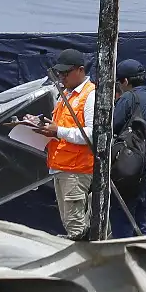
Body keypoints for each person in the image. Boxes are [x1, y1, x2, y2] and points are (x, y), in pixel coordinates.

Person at [28, 49, 96, 239]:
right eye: (59, 73)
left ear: (80, 70)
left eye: (66, 73)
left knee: (76, 229)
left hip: (77, 169)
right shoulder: (66, 95)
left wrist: (57, 131)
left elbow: (92, 135)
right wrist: (40, 124)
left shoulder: (90, 96)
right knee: (71, 224)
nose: (61, 77)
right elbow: (60, 126)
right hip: (63, 167)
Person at [111, 58, 146, 234]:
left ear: (125, 81)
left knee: (122, 223)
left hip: (127, 172)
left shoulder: (128, 99)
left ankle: (122, 260)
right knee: (142, 223)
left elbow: (111, 127)